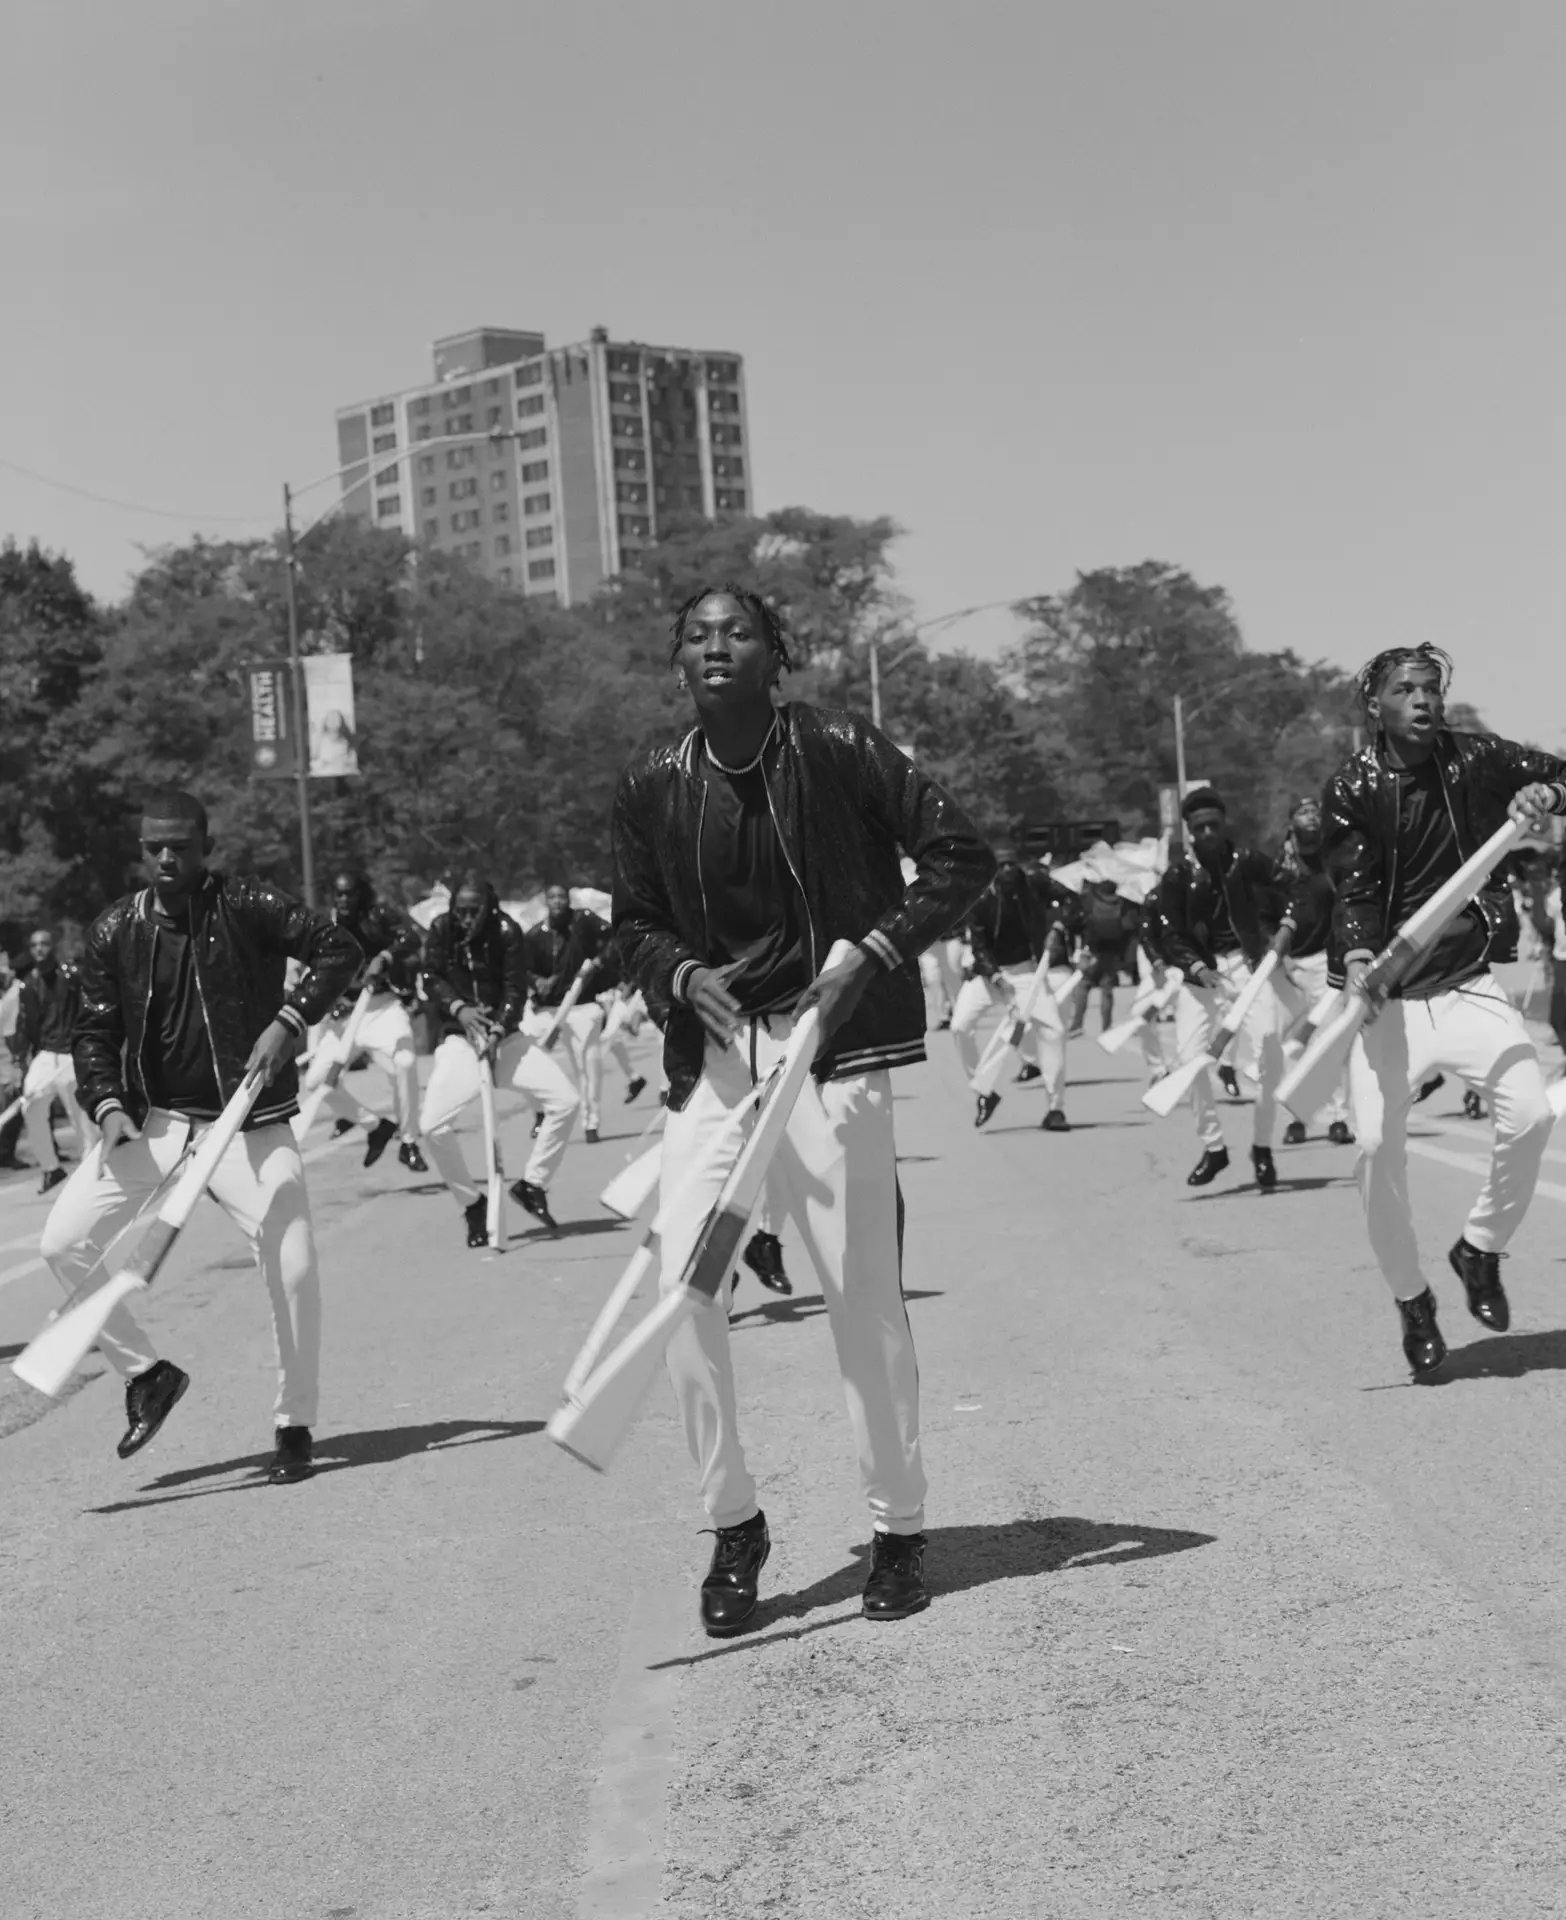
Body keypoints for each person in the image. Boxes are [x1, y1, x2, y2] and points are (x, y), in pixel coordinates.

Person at [612, 584, 994, 1634]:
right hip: (719, 1063)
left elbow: (962, 857)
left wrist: (871, 953)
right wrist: (683, 976)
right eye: (697, 633)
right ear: (677, 660)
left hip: (836, 1052)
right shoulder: (652, 781)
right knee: (682, 1295)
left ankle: (899, 1530)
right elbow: (633, 922)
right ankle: (734, 1525)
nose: (716, 646)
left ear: (777, 654)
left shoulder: (836, 746)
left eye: (739, 631)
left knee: (861, 1302)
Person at [39, 791, 360, 1481]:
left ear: (204, 847)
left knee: (294, 1267)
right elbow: (94, 1032)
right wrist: (105, 1107)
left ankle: (294, 1425)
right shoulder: (114, 930)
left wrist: (292, 1020)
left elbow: (339, 947)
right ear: (141, 848)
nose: (166, 857)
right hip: (155, 1124)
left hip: (247, 1122)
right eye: (154, 845)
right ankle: (146, 1375)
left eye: (180, 846)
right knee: (62, 1241)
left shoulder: (246, 905)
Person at [1323, 645, 1566, 1375]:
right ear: (1376, 707)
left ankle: (1479, 1249)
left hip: (1464, 984)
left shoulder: (1478, 759)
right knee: (1373, 1150)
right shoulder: (1352, 787)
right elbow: (1355, 887)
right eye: (1406, 690)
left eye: (1432, 688)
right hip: (1384, 999)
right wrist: (1362, 954)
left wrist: (1547, 797)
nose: (1424, 700)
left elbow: (1560, 774)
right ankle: (1412, 1300)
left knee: (1532, 1112)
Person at [419, 874, 580, 1242]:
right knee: (432, 1126)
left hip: (505, 1041)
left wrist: (497, 1029)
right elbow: (429, 975)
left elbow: (515, 988)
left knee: (566, 1101)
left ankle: (533, 1184)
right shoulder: (442, 929)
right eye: (460, 911)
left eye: (474, 912)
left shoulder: (508, 932)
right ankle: (472, 1204)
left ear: (489, 909)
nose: (466, 919)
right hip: (461, 1042)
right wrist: (458, 1008)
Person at [1152, 788, 1291, 1190]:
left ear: (1224, 822)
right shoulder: (1177, 877)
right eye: (1200, 827)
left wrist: (1285, 929)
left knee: (1269, 1052)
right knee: (1190, 1061)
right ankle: (1214, 1148)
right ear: (1189, 830)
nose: (1209, 832)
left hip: (1248, 968)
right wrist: (1197, 967)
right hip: (1200, 978)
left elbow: (1290, 891)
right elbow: (1171, 934)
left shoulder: (1246, 862)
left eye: (1215, 824)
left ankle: (1262, 1147)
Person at [308, 872, 428, 1172]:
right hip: (348, 1017)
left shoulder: (381, 915)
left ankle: (410, 1141)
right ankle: (374, 1126)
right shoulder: (328, 924)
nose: (344, 900)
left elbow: (413, 936)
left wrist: (386, 956)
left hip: (383, 1008)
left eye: (349, 894)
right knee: (316, 1080)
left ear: (361, 894)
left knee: (404, 1061)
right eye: (339, 894)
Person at [1275, 798, 1354, 1147]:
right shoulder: (1280, 866)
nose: (1310, 815)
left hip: (1325, 962)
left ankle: (1339, 1117)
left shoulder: (1333, 859)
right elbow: (1266, 912)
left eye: (1314, 811)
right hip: (1287, 967)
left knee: (1329, 1042)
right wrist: (1281, 957)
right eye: (1302, 811)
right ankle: (1297, 1117)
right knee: (1293, 1046)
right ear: (1291, 821)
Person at [522, 884, 612, 1143]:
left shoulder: (583, 921)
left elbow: (612, 937)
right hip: (547, 1009)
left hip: (581, 1004)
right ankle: (540, 1111)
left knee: (587, 1065)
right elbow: (523, 967)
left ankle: (591, 1123)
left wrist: (598, 961)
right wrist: (537, 981)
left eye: (562, 897)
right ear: (545, 901)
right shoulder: (535, 935)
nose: (558, 902)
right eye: (552, 897)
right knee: (526, 1055)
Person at [15, 928, 93, 1192]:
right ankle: (51, 1168)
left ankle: (91, 1166)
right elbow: (26, 1025)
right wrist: (20, 1061)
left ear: (53, 946)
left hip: (73, 1053)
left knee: (79, 1114)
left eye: (44, 944)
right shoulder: (27, 985)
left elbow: (90, 1006)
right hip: (46, 1055)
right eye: (35, 944)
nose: (39, 949)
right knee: (31, 1104)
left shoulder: (71, 976)